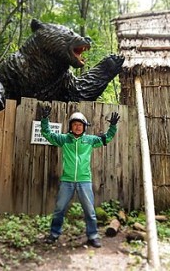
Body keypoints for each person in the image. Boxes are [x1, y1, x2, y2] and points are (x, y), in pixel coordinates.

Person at [40, 105, 120, 248]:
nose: (77, 127)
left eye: (80, 125)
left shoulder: (89, 140)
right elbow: (48, 134)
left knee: (89, 210)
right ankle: (54, 234)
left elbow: (107, 138)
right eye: (75, 124)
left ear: (84, 127)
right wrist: (44, 120)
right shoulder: (64, 139)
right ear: (71, 126)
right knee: (59, 209)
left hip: (84, 180)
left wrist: (113, 126)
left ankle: (93, 236)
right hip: (67, 180)